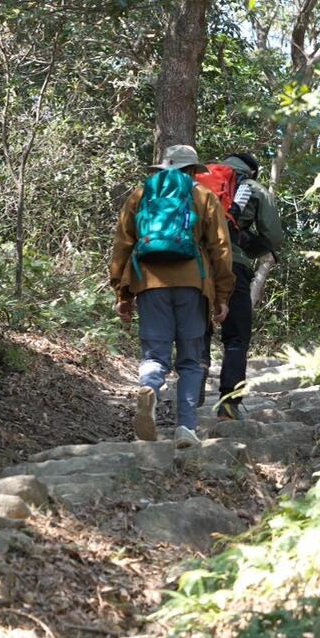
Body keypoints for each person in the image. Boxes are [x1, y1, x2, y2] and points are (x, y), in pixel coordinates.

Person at [110, 142, 234, 439]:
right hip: (193, 285)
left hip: (149, 283)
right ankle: (186, 427)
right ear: (192, 170)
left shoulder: (141, 194)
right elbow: (220, 248)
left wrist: (122, 294)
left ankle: (149, 389)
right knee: (190, 361)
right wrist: (223, 295)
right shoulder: (203, 196)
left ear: (164, 166)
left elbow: (123, 245)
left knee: (155, 355)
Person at [206, 150, 285, 417]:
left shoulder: (199, 181)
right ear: (252, 171)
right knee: (236, 337)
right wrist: (249, 247)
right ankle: (229, 404)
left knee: (197, 328)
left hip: (194, 266)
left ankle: (190, 394)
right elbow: (273, 235)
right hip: (233, 264)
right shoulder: (254, 188)